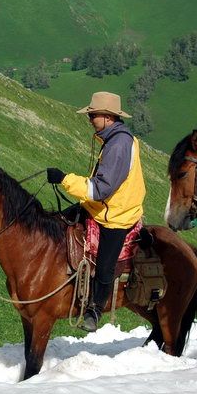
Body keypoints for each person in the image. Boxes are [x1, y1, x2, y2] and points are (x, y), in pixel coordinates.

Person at [46, 91, 146, 332]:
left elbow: (100, 189)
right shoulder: (114, 139)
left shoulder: (119, 145)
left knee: (104, 265)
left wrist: (64, 179)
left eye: (92, 115)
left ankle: (94, 310)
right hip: (102, 208)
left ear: (108, 117)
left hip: (117, 216)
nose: (89, 119)